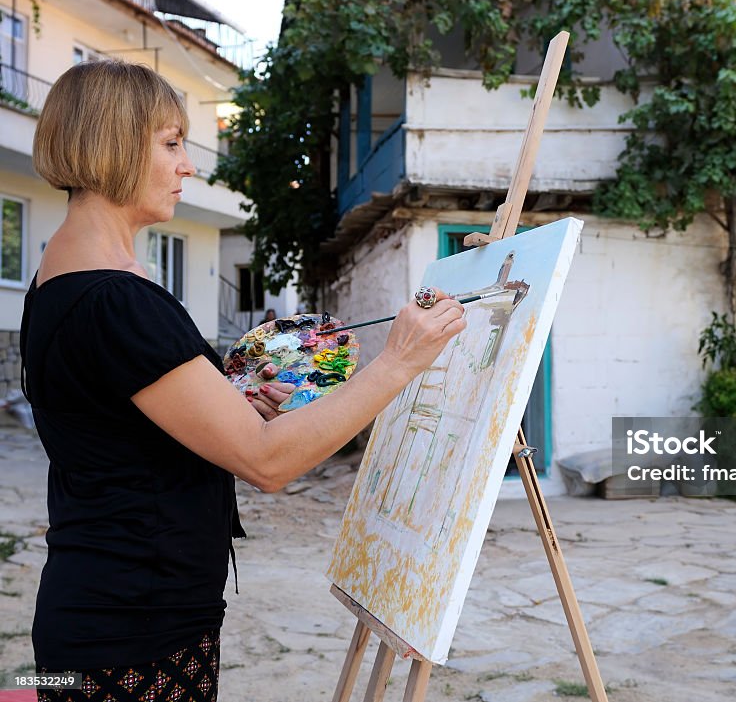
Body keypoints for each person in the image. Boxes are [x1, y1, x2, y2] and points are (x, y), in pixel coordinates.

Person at [22, 60, 466, 701]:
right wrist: (399, 361)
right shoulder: (116, 300)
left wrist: (226, 405)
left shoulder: (56, 282)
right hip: (132, 640)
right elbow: (269, 462)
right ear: (112, 144)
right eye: (171, 143)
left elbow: (114, 425)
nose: (187, 166)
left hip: (90, 624)